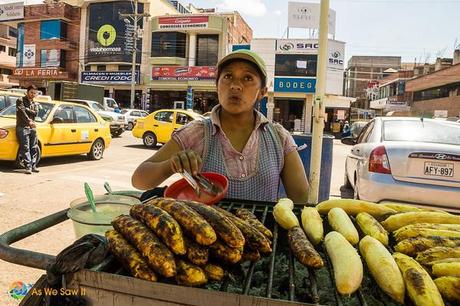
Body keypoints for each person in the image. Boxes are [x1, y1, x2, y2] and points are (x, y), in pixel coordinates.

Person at [132, 49, 309, 203]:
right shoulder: (197, 132)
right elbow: (139, 180)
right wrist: (171, 165)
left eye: (247, 78)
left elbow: (301, 196)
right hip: (206, 238)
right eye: (227, 76)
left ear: (262, 92)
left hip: (262, 237)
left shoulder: (278, 137)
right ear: (217, 86)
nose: (235, 86)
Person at [16, 85, 40, 174]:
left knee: (34, 146)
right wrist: (29, 121)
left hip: (32, 127)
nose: (33, 94)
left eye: (35, 93)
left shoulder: (35, 103)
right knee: (25, 147)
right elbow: (21, 112)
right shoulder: (20, 100)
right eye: (31, 92)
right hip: (23, 127)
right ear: (27, 92)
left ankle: (33, 165)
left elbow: (36, 113)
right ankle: (28, 167)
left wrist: (27, 110)